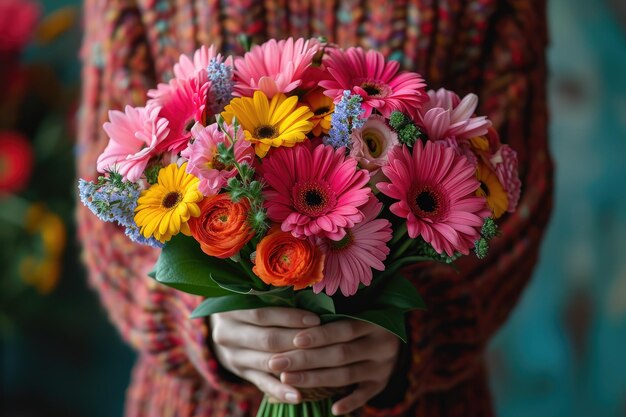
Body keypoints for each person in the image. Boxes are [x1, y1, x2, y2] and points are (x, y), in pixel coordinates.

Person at [76, 0, 553, 416]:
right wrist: (199, 319)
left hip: (421, 400)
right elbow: (110, 191)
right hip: (198, 402)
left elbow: (514, 191)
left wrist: (416, 333)